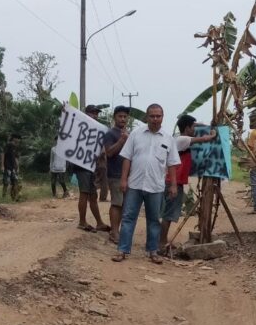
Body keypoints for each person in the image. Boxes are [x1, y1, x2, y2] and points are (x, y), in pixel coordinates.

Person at [113, 104, 180, 264]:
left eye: (158, 116)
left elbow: (172, 164)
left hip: (155, 186)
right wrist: (123, 179)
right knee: (128, 217)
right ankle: (122, 250)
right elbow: (127, 158)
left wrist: (173, 185)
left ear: (163, 117)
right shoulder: (136, 134)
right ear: (147, 117)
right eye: (152, 116)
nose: (155, 119)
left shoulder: (168, 138)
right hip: (135, 185)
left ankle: (153, 252)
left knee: (153, 220)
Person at [160, 115, 216, 248]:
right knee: (168, 214)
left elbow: (197, 125)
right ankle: (161, 242)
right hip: (173, 182)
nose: (195, 129)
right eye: (193, 127)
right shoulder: (183, 139)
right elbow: (204, 139)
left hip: (171, 181)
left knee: (167, 213)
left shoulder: (178, 138)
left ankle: (161, 240)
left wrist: (206, 124)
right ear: (187, 128)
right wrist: (213, 133)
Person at [74, 105, 110, 233]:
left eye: (96, 113)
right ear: (86, 114)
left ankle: (99, 222)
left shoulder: (97, 130)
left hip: (91, 166)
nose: (95, 115)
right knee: (84, 193)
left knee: (93, 195)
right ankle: (82, 222)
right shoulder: (79, 126)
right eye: (92, 113)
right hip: (81, 164)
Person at [102, 106, 130, 244]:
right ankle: (114, 232)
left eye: (125, 117)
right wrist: (121, 140)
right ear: (114, 117)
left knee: (124, 205)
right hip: (115, 174)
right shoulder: (110, 134)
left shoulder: (128, 134)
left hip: (127, 175)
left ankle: (117, 231)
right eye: (120, 116)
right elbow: (109, 152)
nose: (123, 119)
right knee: (117, 204)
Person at [1, 134, 21, 201]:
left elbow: (16, 158)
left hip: (13, 168)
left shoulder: (16, 147)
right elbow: (3, 154)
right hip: (7, 167)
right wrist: (2, 165)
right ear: (14, 138)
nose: (19, 140)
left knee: (15, 182)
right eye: (17, 138)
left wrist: (18, 168)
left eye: (19, 138)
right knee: (6, 183)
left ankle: (14, 198)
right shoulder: (8, 145)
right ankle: (3, 197)